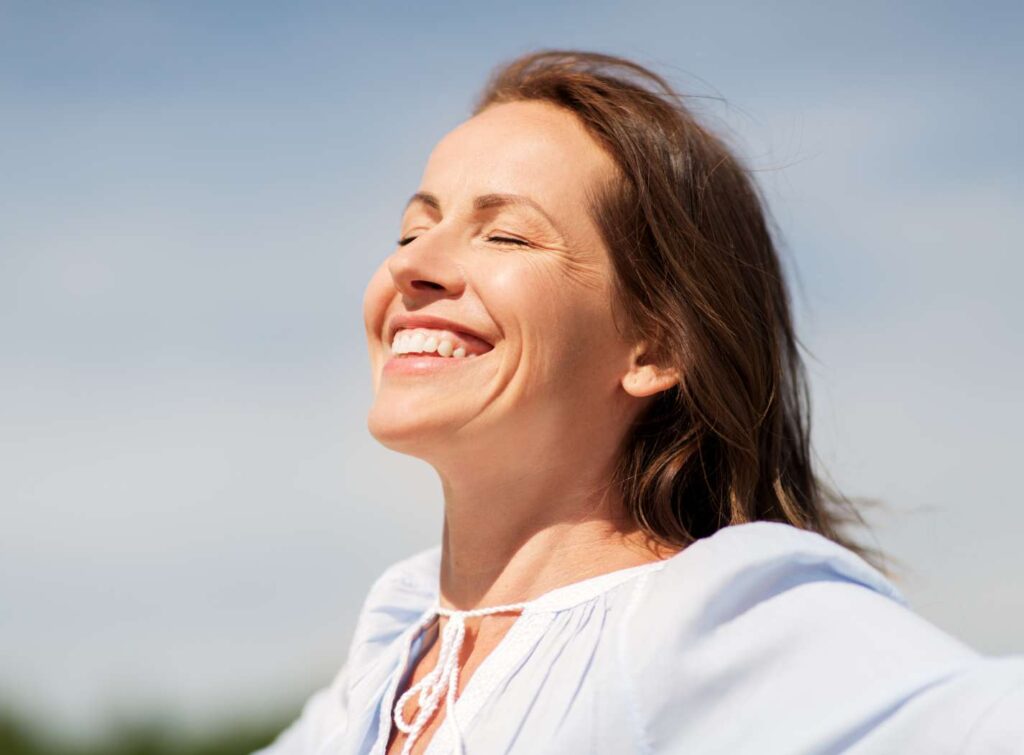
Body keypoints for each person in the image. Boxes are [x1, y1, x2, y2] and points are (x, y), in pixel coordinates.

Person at [255, 49, 1024, 754]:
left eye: (507, 237)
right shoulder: (392, 649)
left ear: (655, 346)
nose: (413, 265)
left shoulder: (702, 617)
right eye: (410, 231)